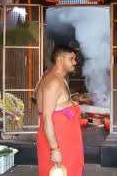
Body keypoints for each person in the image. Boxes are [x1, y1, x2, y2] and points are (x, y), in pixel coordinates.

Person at [35, 45, 84, 176]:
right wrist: (55, 149)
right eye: (71, 58)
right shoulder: (53, 81)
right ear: (60, 59)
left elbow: (59, 105)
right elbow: (46, 117)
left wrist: (72, 103)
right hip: (58, 141)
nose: (75, 62)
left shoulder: (59, 78)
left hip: (66, 139)